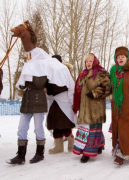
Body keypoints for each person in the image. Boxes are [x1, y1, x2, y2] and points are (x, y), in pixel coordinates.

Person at [6, 21, 74, 165]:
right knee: (21, 128)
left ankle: (39, 153)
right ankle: (20, 155)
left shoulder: (45, 66)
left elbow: (47, 78)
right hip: (27, 100)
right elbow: (22, 84)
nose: (29, 57)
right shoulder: (29, 66)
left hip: (39, 99)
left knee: (38, 128)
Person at [72, 53, 110, 163]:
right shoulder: (82, 74)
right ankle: (98, 145)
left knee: (92, 129)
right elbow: (78, 91)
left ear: (95, 61)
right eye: (86, 61)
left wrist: (95, 93)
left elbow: (107, 87)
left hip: (95, 107)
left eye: (90, 61)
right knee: (86, 129)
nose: (88, 63)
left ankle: (88, 152)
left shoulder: (101, 73)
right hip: (84, 107)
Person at [46, 55, 76, 154]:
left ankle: (71, 142)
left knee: (64, 123)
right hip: (53, 100)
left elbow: (69, 86)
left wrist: (72, 101)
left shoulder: (63, 71)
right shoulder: (48, 72)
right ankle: (58, 147)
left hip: (63, 99)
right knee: (54, 124)